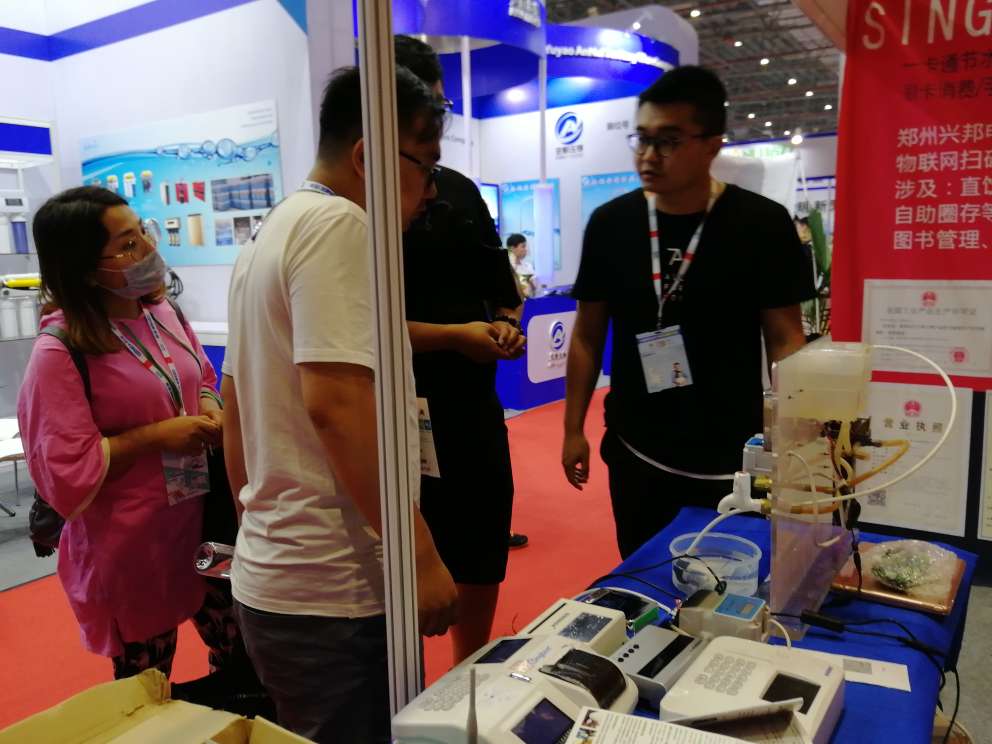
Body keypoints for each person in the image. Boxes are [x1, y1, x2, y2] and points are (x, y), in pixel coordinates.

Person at [220, 66, 458, 744]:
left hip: (282, 579)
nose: (430, 190)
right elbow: (337, 406)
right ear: (368, 157)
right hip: (335, 591)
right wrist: (418, 554)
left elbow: (235, 406)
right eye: (425, 166)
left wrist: (260, 523)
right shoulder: (340, 226)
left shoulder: (272, 230)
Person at [562, 66, 813, 559]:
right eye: (642, 139)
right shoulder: (611, 224)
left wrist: (797, 435)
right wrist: (572, 429)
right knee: (641, 578)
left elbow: (786, 339)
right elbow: (588, 334)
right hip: (636, 449)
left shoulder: (762, 224)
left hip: (730, 456)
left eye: (669, 141)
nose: (649, 155)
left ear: (712, 144)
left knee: (728, 582)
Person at [17, 186, 240, 680]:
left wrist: (209, 405)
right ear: (83, 268)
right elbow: (64, 466)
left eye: (143, 232)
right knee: (147, 687)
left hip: (201, 527)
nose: (147, 250)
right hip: (132, 548)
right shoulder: (61, 351)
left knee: (241, 659)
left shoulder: (163, 314)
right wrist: (156, 436)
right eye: (127, 245)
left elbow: (201, 376)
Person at [396, 34, 528, 664]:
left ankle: (467, 674)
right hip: (387, 414)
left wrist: (503, 325)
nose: (437, 127)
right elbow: (355, 330)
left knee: (480, 547)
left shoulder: (458, 191)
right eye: (425, 112)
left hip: (469, 409)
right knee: (391, 569)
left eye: (440, 108)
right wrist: (453, 337)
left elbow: (503, 292)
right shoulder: (345, 212)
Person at [507, 233, 537, 298]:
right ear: (512, 248)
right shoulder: (506, 267)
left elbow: (535, 288)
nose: (526, 249)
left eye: (525, 246)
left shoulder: (528, 266)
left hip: (529, 301)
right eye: (523, 246)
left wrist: (531, 282)